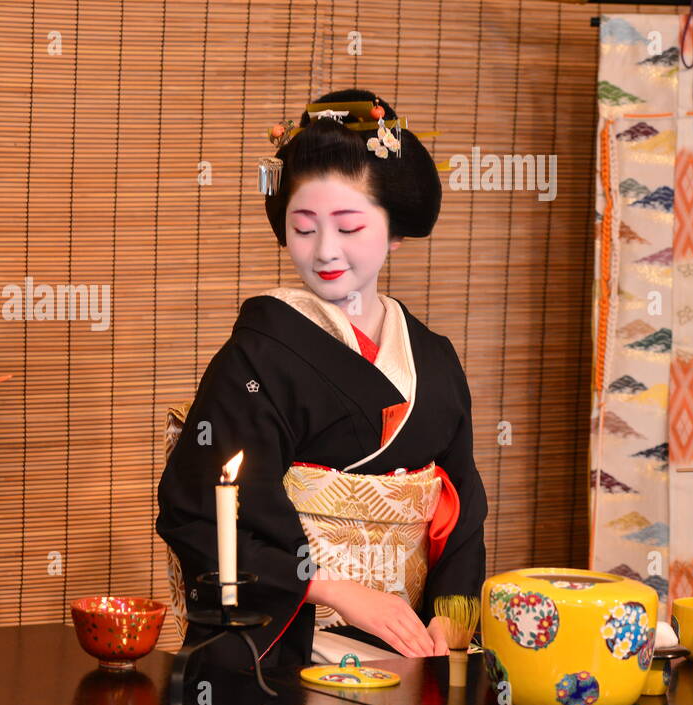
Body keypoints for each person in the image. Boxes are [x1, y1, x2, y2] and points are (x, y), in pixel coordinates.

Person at [156, 88, 488, 669]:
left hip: (409, 642)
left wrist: (449, 616)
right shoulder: (257, 357)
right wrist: (332, 588)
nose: (325, 251)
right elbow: (198, 511)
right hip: (287, 638)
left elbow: (461, 510)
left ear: (394, 231)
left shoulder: (433, 358)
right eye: (304, 227)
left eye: (350, 226)